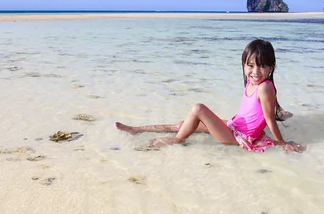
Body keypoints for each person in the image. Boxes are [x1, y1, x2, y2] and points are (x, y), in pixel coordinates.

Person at [115, 39, 304, 153]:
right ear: (244, 65)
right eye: (250, 65)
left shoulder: (264, 88)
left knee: (197, 109)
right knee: (185, 124)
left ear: (271, 67)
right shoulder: (252, 82)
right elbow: (255, 113)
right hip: (234, 125)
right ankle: (137, 129)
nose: (255, 71)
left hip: (240, 137)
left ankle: (176, 140)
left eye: (262, 66)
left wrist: (282, 143)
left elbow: (269, 120)